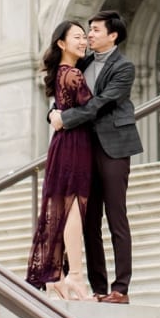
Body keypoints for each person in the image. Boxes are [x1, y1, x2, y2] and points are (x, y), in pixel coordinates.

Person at [50, 9, 139, 303]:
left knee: (116, 217)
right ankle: (99, 287)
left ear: (113, 35)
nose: (89, 35)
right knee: (88, 221)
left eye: (96, 30)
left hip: (113, 148)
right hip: (84, 149)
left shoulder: (124, 68)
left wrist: (67, 118)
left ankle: (120, 288)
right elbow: (61, 97)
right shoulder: (82, 62)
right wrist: (52, 113)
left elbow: (100, 103)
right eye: (87, 30)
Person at [24, 20, 97, 300]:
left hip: (62, 145)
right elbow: (92, 110)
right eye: (77, 37)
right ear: (61, 44)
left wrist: (56, 115)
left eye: (84, 37)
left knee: (63, 208)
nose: (83, 41)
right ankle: (76, 276)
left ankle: (57, 276)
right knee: (74, 209)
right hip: (75, 144)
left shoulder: (60, 74)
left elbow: (61, 109)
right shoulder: (73, 76)